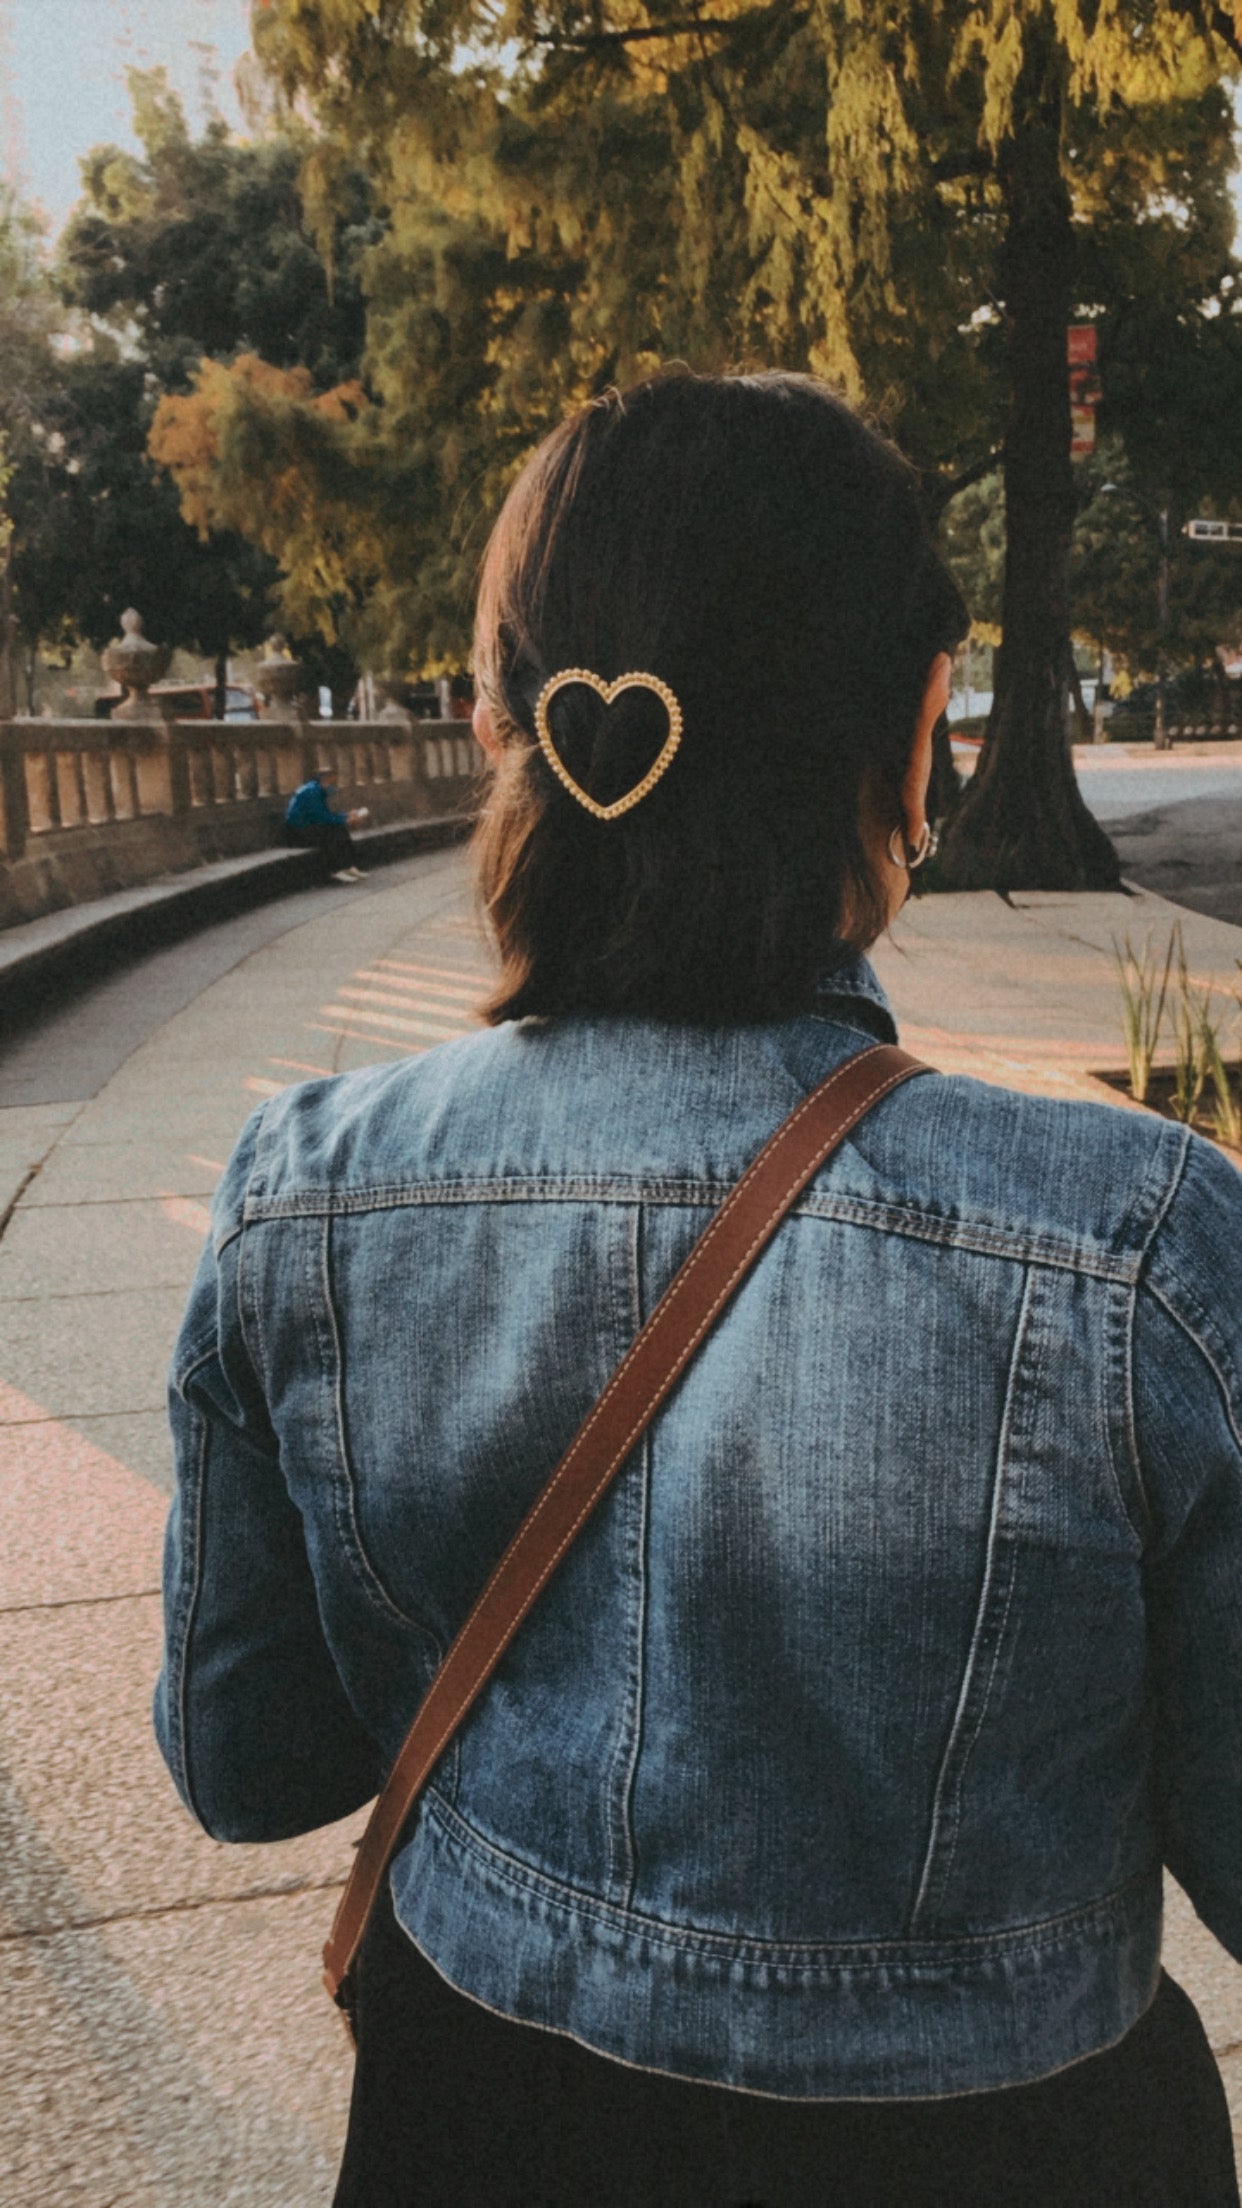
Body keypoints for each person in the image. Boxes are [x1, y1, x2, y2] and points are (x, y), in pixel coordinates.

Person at [156, 371, 1242, 2206]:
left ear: (499, 721)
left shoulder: (303, 1194)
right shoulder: (1135, 1244)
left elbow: (249, 1762)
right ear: (909, 739)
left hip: (478, 2119)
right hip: (1016, 2145)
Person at [284, 771, 368, 880]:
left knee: (339, 829)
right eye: (333, 782)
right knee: (331, 834)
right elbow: (321, 817)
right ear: (325, 780)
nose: (335, 786)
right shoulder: (312, 792)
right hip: (298, 832)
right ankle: (335, 869)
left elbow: (325, 814)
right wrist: (346, 819)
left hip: (308, 827)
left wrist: (347, 815)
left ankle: (348, 866)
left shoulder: (317, 790)